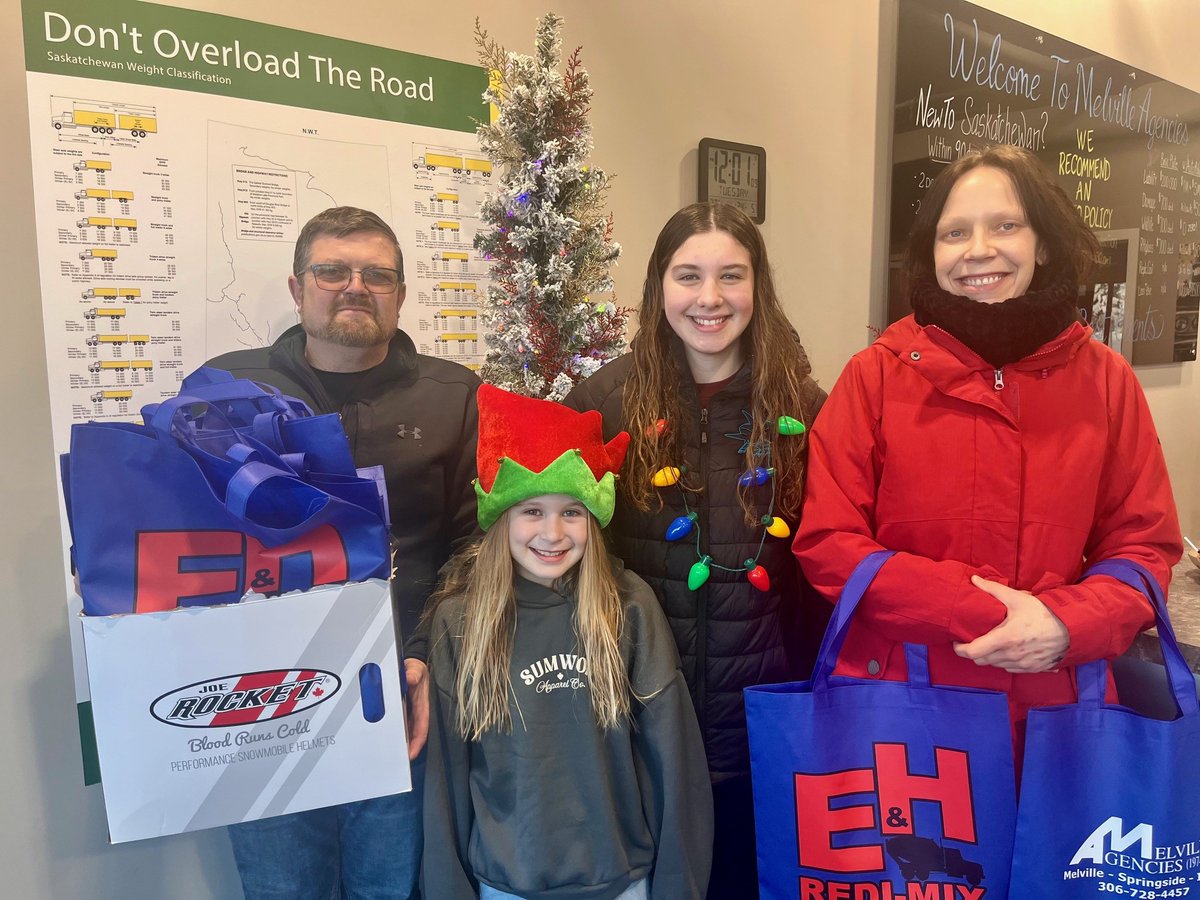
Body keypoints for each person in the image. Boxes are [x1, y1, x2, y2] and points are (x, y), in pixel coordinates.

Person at [793, 145, 1183, 746]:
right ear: (930, 253)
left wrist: (1064, 624)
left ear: (1043, 243)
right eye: (955, 232)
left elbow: (1143, 548)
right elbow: (829, 544)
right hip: (901, 710)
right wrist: (982, 613)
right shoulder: (873, 376)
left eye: (1006, 225)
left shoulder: (1108, 383)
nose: (979, 250)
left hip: (1060, 715)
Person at [206, 206, 480, 899]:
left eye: (377, 275)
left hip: (395, 700)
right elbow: (182, 529)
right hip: (265, 703)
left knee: (393, 889)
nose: (355, 286)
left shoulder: (456, 397)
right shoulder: (225, 390)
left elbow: (474, 541)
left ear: (400, 295)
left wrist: (422, 652)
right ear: (298, 290)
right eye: (332, 271)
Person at [563, 202, 826, 898]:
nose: (709, 299)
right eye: (688, 276)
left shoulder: (802, 407)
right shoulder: (605, 400)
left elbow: (824, 570)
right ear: (659, 288)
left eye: (730, 276)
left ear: (756, 287)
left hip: (762, 726)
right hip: (641, 722)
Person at [422, 384, 713, 899]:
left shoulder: (627, 607)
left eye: (571, 512)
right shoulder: (461, 621)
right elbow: (444, 780)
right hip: (506, 886)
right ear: (501, 517)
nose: (553, 532)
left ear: (594, 519)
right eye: (531, 510)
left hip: (623, 881)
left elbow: (673, 759)